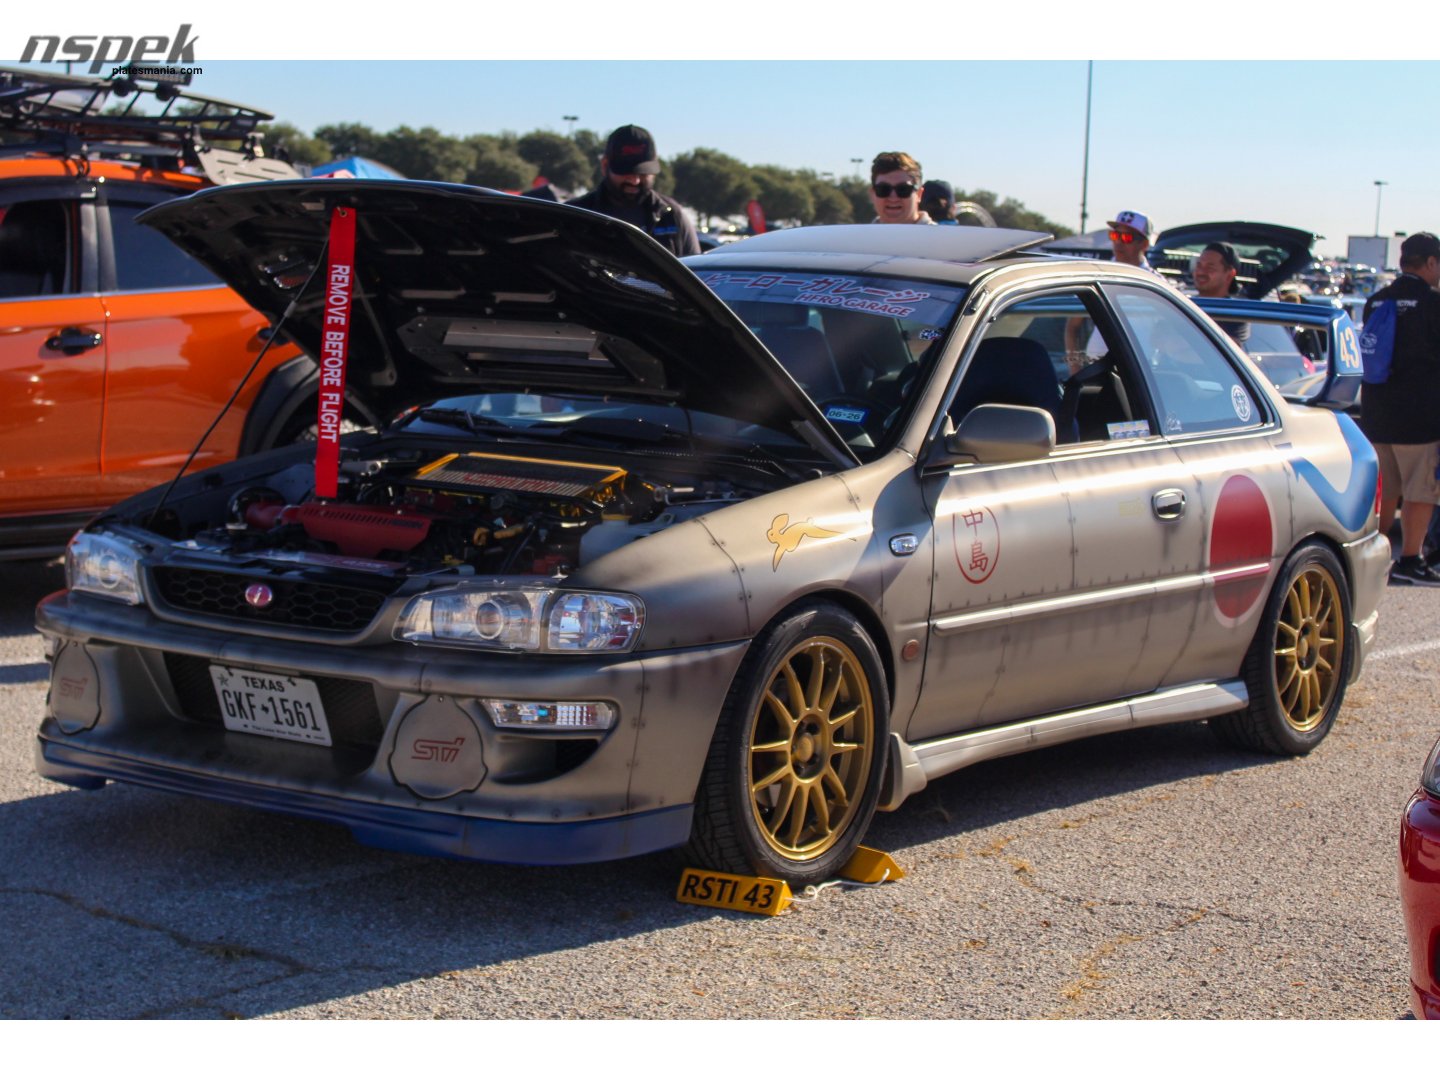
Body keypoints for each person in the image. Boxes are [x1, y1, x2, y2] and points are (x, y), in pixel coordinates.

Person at [1359, 231, 1440, 585]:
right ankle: (1410, 559)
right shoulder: (1433, 303)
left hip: (1376, 412)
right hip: (1419, 416)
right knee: (1420, 492)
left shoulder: (1377, 300)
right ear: (1432, 263)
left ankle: (1377, 559)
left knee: (1386, 490)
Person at [566, 125, 700, 257]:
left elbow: (696, 272)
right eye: (626, 172)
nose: (634, 181)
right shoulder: (574, 215)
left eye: (643, 173)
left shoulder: (671, 215)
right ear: (605, 165)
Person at [1063, 209, 1158, 363]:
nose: (1118, 242)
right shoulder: (1097, 274)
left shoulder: (1155, 283)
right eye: (1115, 235)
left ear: (1145, 244)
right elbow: (1072, 326)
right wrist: (1074, 366)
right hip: (1095, 369)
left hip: (1140, 372)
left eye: (1126, 237)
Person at [1192, 241, 1251, 345]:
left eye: (1210, 267)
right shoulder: (1184, 304)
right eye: (1199, 265)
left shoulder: (1236, 314)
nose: (1201, 272)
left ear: (1229, 275)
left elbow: (1225, 350)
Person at [869, 152, 935, 225]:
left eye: (903, 189)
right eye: (883, 189)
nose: (893, 198)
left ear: (919, 194)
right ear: (872, 194)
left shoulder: (943, 236)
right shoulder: (859, 236)